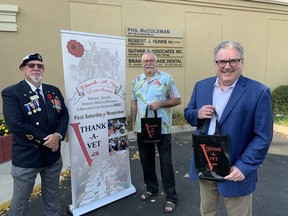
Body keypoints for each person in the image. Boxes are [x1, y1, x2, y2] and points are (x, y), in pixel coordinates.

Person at [184, 41, 273, 216]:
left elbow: (263, 137)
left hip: (235, 169)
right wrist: (197, 113)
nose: (227, 66)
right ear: (215, 64)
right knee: (207, 212)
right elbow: (189, 114)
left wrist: (244, 166)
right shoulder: (201, 86)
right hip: (206, 164)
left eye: (233, 61)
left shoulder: (259, 92)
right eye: (222, 62)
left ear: (242, 62)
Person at [1, 53, 69, 216]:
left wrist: (58, 136)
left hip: (52, 157)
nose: (36, 68)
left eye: (40, 66)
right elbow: (16, 124)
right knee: (20, 201)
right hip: (27, 157)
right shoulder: (12, 93)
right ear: (23, 69)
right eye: (31, 65)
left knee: (52, 195)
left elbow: (64, 114)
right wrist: (49, 140)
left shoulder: (53, 91)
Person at [131, 51, 181, 213]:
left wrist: (160, 104)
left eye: (151, 60)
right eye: (145, 60)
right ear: (142, 63)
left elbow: (177, 100)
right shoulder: (136, 80)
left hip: (162, 128)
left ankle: (171, 197)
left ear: (156, 62)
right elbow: (133, 103)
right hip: (142, 128)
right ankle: (152, 188)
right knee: (146, 160)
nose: (148, 63)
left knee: (165, 163)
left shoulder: (167, 78)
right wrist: (133, 124)